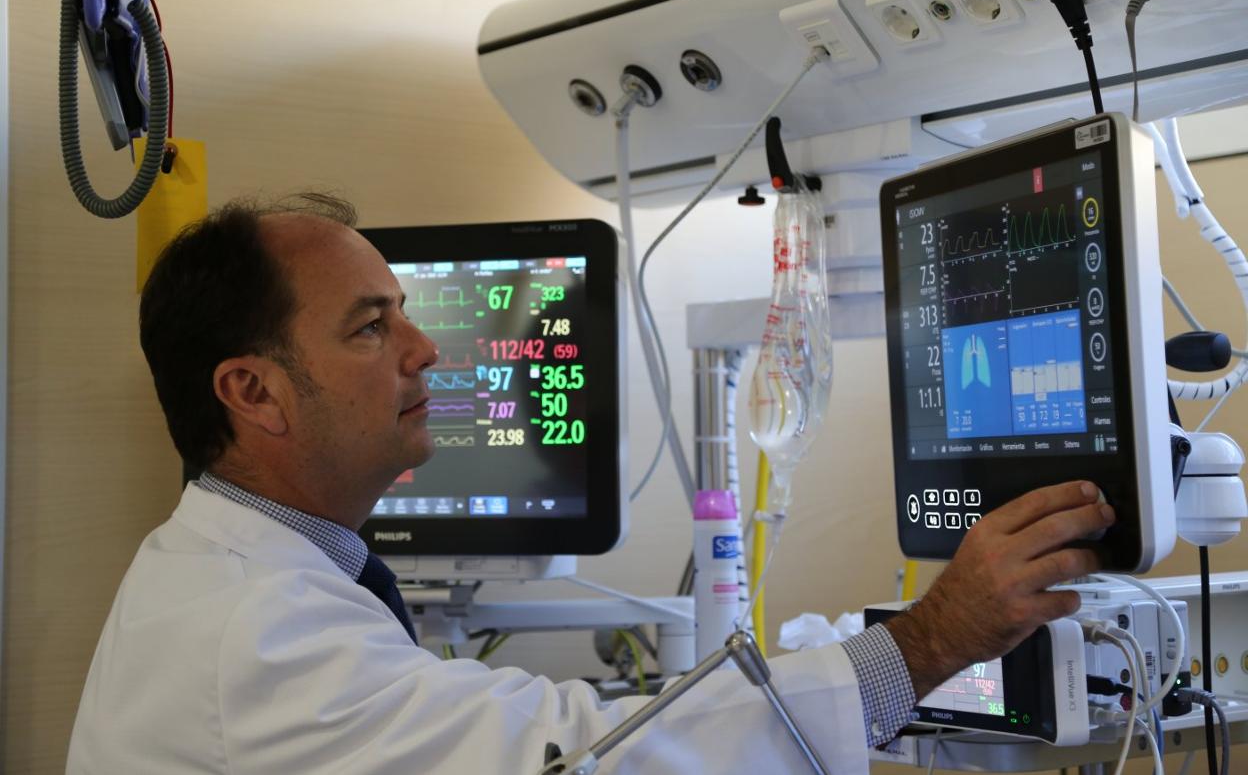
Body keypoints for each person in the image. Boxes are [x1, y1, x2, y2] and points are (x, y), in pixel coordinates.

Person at [67, 194, 1113, 774]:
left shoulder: (230, 576)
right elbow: (580, 761)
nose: (425, 349)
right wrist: (932, 641)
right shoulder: (257, 634)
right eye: (372, 326)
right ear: (253, 391)